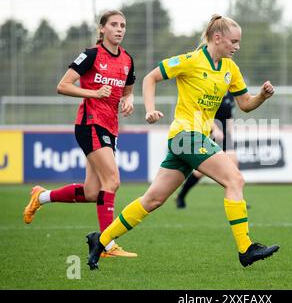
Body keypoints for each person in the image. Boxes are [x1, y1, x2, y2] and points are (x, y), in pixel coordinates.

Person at [86, 14, 279, 270]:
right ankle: (245, 248)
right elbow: (149, 78)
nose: (237, 47)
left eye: (239, 42)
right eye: (234, 41)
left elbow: (245, 105)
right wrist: (150, 110)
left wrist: (262, 97)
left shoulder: (230, 69)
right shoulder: (191, 60)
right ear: (217, 38)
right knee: (235, 180)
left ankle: (101, 240)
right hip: (185, 136)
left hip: (193, 140)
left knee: (152, 200)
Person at [23, 10, 137, 258]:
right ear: (102, 29)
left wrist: (129, 100)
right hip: (90, 123)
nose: (119, 29)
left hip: (110, 127)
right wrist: (94, 94)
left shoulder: (127, 60)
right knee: (113, 181)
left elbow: (128, 90)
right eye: (114, 25)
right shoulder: (91, 55)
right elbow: (62, 85)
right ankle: (106, 244)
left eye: (123, 25)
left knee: (92, 193)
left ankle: (40, 197)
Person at [175, 91, 239, 209]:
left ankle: (237, 200)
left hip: (225, 136)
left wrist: (230, 133)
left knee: (234, 167)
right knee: (200, 172)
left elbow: (230, 115)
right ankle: (181, 196)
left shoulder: (230, 93)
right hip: (210, 132)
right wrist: (214, 129)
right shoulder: (213, 90)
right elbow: (204, 113)